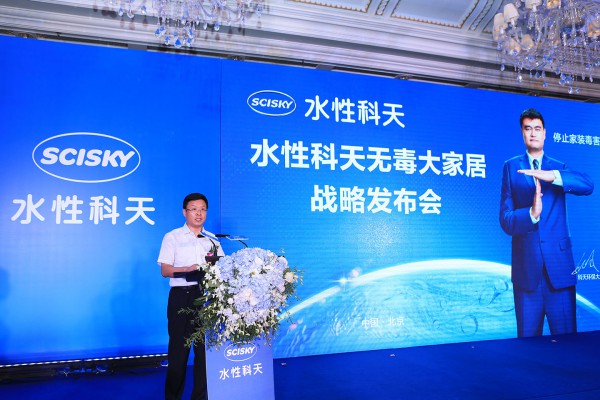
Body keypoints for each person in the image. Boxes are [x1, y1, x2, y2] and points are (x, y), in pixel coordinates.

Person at [499, 108, 593, 338]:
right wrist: (531, 213)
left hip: (559, 273)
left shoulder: (558, 166)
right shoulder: (511, 167)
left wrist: (553, 176)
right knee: (528, 349)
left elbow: (587, 185)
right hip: (526, 276)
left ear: (545, 133)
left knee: (568, 345)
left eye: (537, 129)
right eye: (528, 128)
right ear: (522, 133)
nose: (533, 133)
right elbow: (506, 220)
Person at [157, 193, 225, 399]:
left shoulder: (212, 239)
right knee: (178, 353)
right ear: (184, 212)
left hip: (206, 299)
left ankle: (200, 397)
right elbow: (165, 270)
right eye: (194, 209)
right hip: (181, 298)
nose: (199, 213)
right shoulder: (173, 237)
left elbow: (222, 267)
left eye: (203, 209)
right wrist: (188, 269)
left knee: (204, 353)